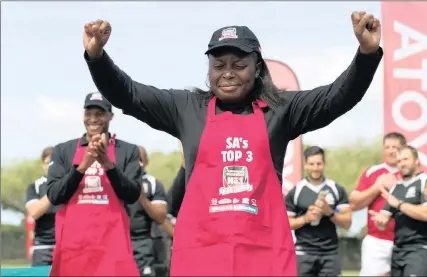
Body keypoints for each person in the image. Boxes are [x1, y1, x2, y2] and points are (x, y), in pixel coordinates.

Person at [82, 11, 383, 275]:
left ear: (258, 68)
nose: (227, 73)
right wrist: (97, 58)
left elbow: (335, 98)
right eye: (218, 64)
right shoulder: (186, 108)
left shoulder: (282, 110)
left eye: (239, 64)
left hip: (264, 252)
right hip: (200, 253)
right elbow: (129, 94)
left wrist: (366, 55)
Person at [46, 92, 142, 276]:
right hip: (74, 249)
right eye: (88, 113)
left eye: (99, 114)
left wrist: (107, 163)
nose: (93, 119)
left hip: (113, 248)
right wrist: (82, 166)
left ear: (110, 116)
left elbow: (133, 195)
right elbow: (54, 195)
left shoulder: (128, 151)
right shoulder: (63, 150)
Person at [369, 145, 427, 277]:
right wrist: (380, 221)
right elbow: (384, 219)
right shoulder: (396, 188)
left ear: (416, 161)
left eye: (405, 159)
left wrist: (400, 205)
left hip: (421, 249)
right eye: (399, 161)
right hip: (398, 250)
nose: (401, 164)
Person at [285, 146, 352, 276]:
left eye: (318, 164)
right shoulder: (296, 192)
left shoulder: (336, 189)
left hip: (330, 254)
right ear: (305, 165)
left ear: (324, 164)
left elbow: (347, 223)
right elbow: (286, 224)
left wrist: (329, 212)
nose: (315, 168)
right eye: (311, 164)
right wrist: (306, 218)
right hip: (303, 253)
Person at [349, 132, 406, 276]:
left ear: (404, 148)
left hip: (406, 241)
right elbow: (354, 204)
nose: (391, 151)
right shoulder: (372, 173)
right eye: (387, 147)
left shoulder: (411, 173)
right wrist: (377, 186)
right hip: (377, 241)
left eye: (395, 147)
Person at [127, 145, 168, 276]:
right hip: (119, 240)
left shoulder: (153, 183)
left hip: (143, 242)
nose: (137, 163)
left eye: (140, 160)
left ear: (145, 162)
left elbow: (161, 217)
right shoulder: (117, 181)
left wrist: (143, 198)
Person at [25, 146, 58, 266]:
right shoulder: (35, 187)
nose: (51, 166)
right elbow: (34, 212)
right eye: (48, 163)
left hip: (67, 247)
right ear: (43, 165)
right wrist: (56, 190)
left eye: (55, 163)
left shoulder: (71, 185)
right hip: (42, 248)